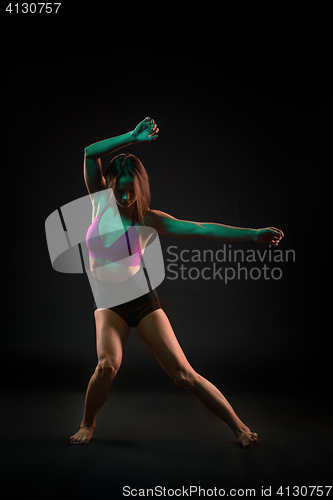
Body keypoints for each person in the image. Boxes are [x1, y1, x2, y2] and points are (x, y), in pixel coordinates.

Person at [70, 117, 284, 448]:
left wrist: (253, 234)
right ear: (109, 185)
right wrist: (132, 137)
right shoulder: (98, 201)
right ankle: (87, 424)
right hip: (108, 303)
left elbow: (200, 228)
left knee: (184, 374)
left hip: (141, 300)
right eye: (119, 190)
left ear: (138, 189)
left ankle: (240, 428)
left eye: (131, 191)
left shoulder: (147, 218)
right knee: (106, 365)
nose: (125, 197)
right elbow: (89, 153)